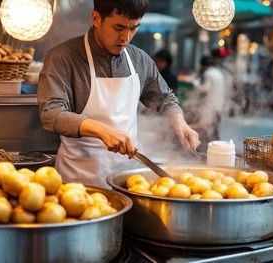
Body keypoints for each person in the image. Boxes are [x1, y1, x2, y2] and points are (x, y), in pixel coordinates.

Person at [38, 0, 200, 188]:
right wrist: (101, 130)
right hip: (78, 183)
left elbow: (165, 99)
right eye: (118, 27)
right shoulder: (63, 58)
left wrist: (179, 122)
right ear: (96, 18)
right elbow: (51, 113)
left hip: (127, 181)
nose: (126, 37)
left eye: (134, 28)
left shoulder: (140, 59)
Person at [184, 55, 226, 152]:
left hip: (210, 106)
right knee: (214, 128)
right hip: (219, 105)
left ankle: (211, 150)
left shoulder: (208, 73)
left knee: (208, 129)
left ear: (203, 65)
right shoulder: (218, 72)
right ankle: (217, 148)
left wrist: (195, 82)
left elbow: (205, 89)